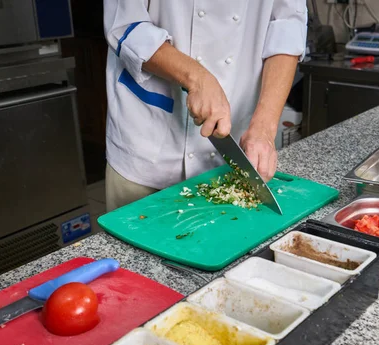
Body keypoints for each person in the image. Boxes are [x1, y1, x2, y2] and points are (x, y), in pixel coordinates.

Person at [103, 0, 308, 211]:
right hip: (148, 138)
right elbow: (125, 24)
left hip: (235, 133)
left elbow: (287, 27)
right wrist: (197, 77)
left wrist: (264, 128)